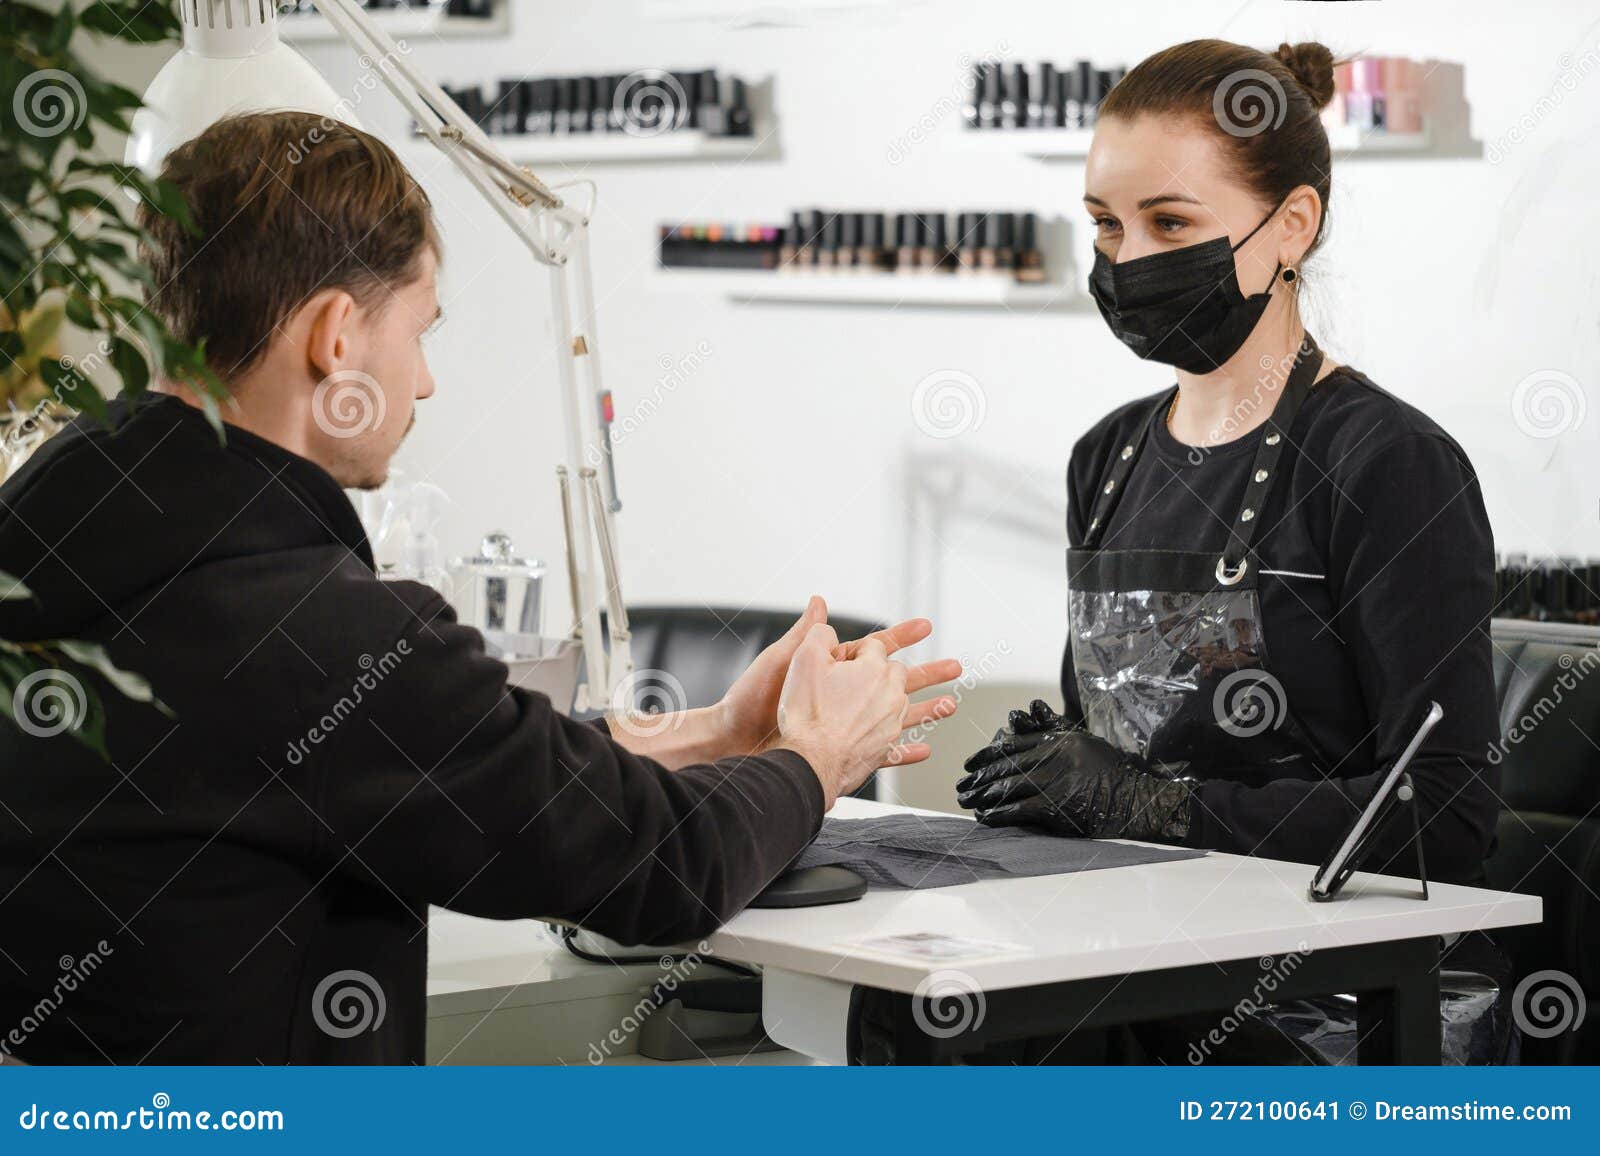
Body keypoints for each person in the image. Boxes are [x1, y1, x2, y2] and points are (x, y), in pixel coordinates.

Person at [0, 112, 959, 1065]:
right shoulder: (313, 627)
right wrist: (820, 755)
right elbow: (668, 869)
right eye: (420, 332)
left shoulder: (52, 525)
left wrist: (710, 735)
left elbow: (456, 767)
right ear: (336, 337)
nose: (423, 383)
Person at [955, 40, 1511, 1064]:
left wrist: (1147, 802)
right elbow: (1117, 742)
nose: (1125, 261)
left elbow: (1443, 817)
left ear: (1289, 225)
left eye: (1169, 222)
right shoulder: (1108, 458)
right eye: (1104, 225)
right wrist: (1051, 774)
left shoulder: (1387, 465)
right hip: (1141, 963)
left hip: (1337, 1013)